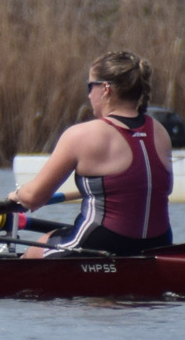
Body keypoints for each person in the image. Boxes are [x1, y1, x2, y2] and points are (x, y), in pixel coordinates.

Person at [10, 50, 173, 257]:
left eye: (90, 86)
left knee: (35, 250)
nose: (88, 95)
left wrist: (16, 196)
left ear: (105, 89)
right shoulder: (160, 132)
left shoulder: (83, 135)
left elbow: (33, 198)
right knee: (53, 237)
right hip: (158, 246)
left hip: (100, 244)